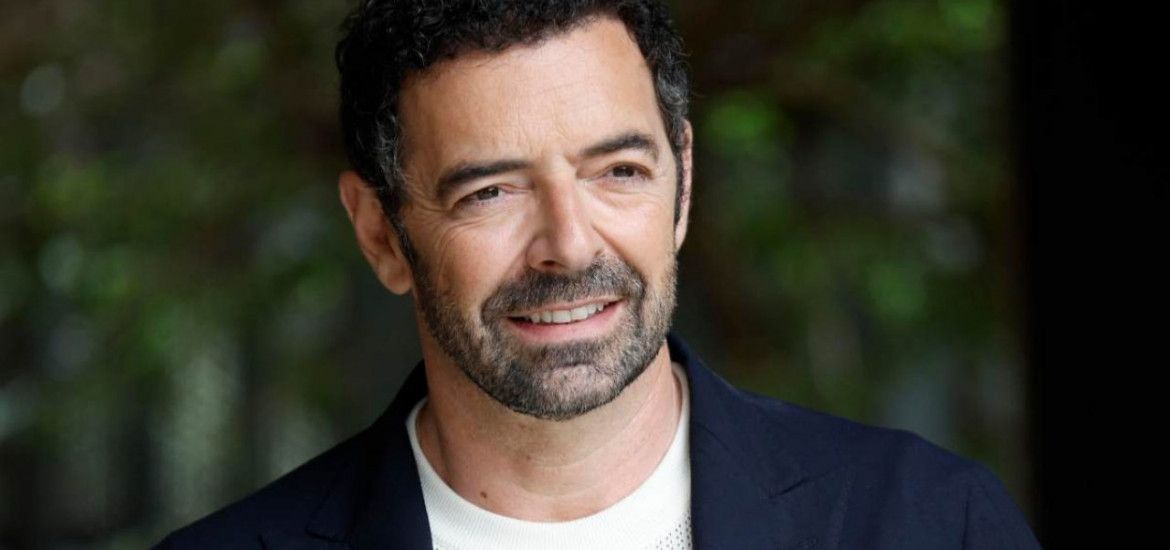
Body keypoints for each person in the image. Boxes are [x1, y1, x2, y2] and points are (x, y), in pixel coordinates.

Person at [157, 1, 1043, 548]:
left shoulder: (931, 524)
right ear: (381, 234)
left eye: (618, 171)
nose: (571, 246)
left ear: (681, 185)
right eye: (491, 191)